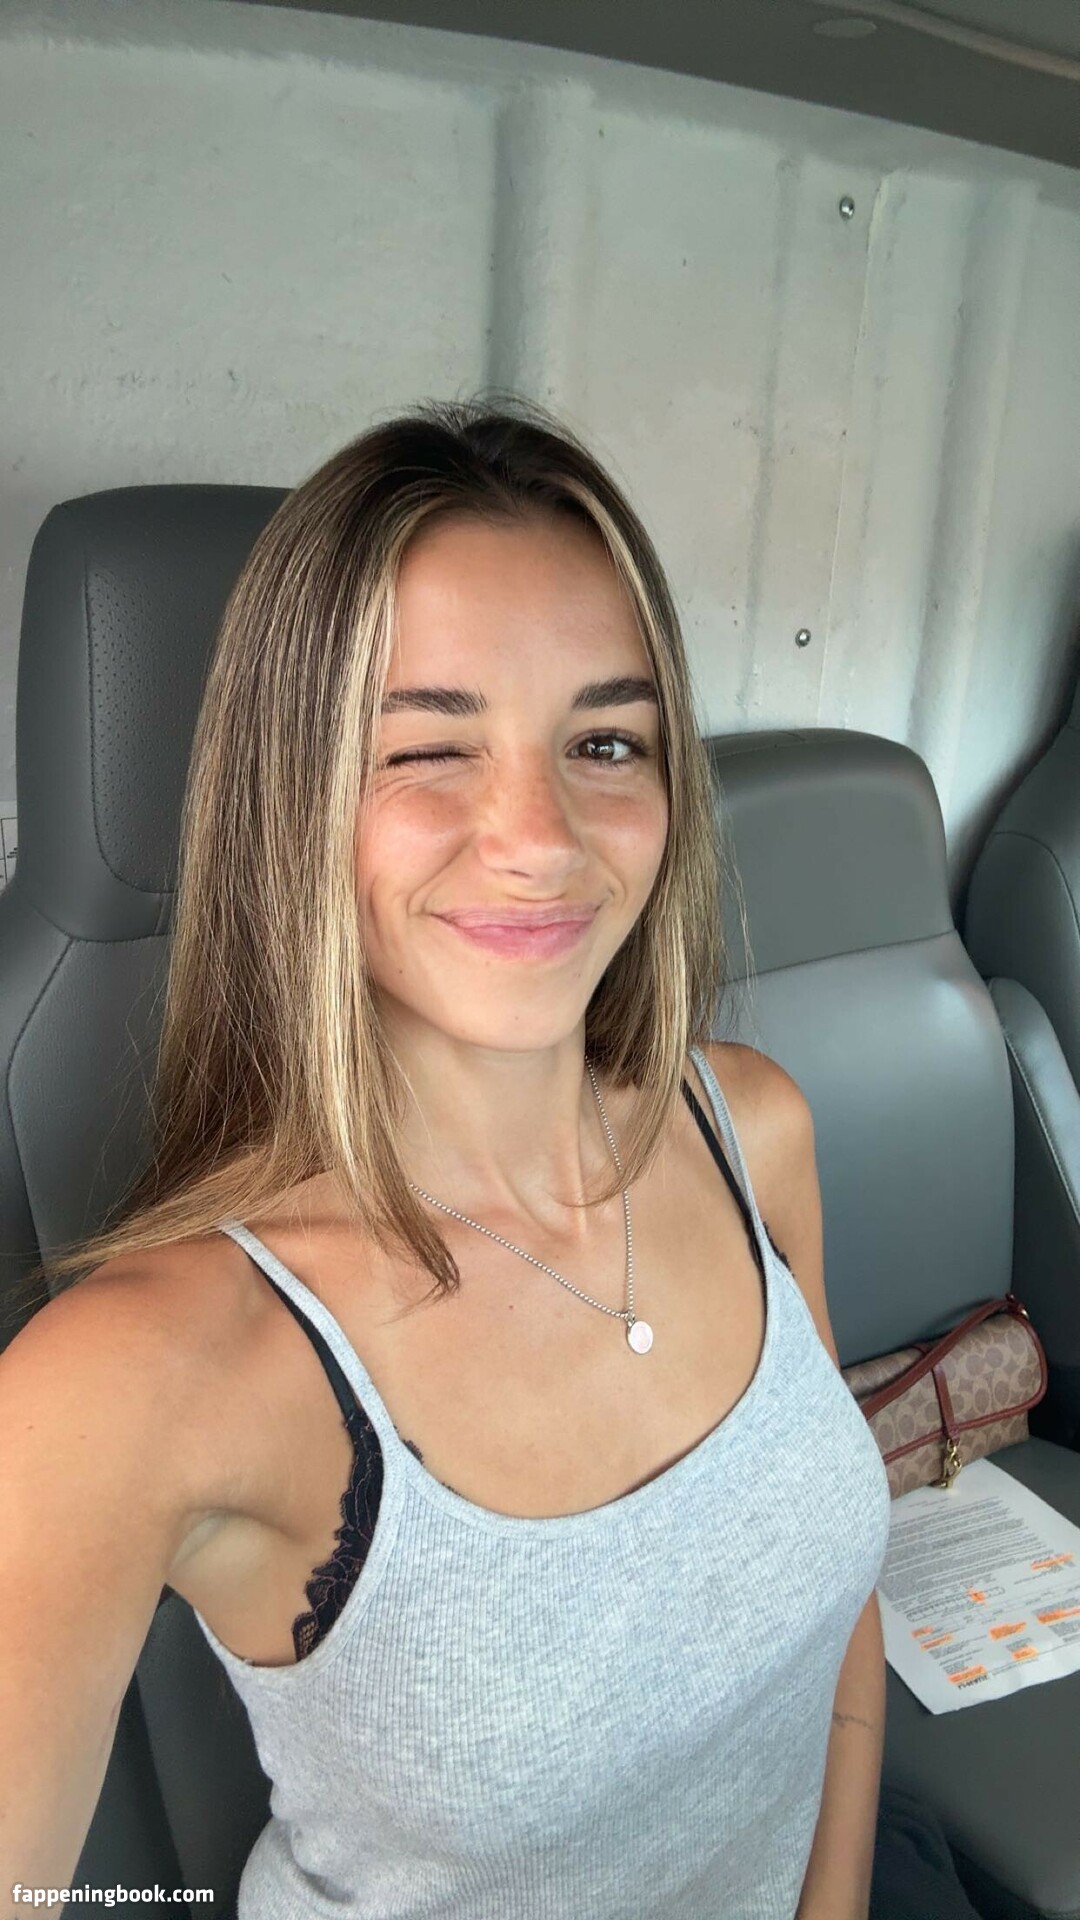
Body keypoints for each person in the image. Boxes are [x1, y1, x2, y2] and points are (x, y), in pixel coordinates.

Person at [4, 395, 930, 1919]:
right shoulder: (126, 1384)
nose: (541, 835)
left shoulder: (754, 1131)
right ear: (294, 804)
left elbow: (838, 1623)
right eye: (429, 750)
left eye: (605, 741)